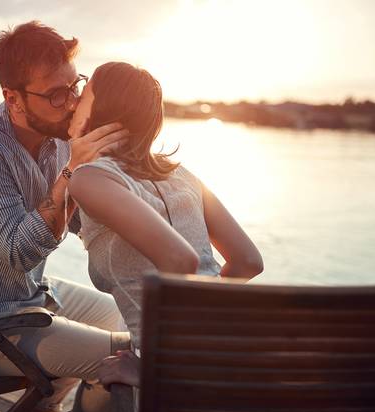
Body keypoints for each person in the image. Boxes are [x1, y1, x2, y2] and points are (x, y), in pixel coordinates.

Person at [0, 22, 131, 412]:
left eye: (74, 86)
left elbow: (84, 223)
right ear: (13, 99)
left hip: (29, 296)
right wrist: (73, 169)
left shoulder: (57, 138)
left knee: (133, 319)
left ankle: (48, 406)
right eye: (55, 95)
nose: (70, 103)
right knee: (127, 355)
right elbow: (19, 253)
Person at [67, 62, 264, 387]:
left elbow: (179, 261)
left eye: (84, 95)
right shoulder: (183, 175)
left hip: (183, 366)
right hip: (233, 346)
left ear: (103, 109)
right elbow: (248, 261)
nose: (74, 104)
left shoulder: (90, 179)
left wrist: (151, 370)